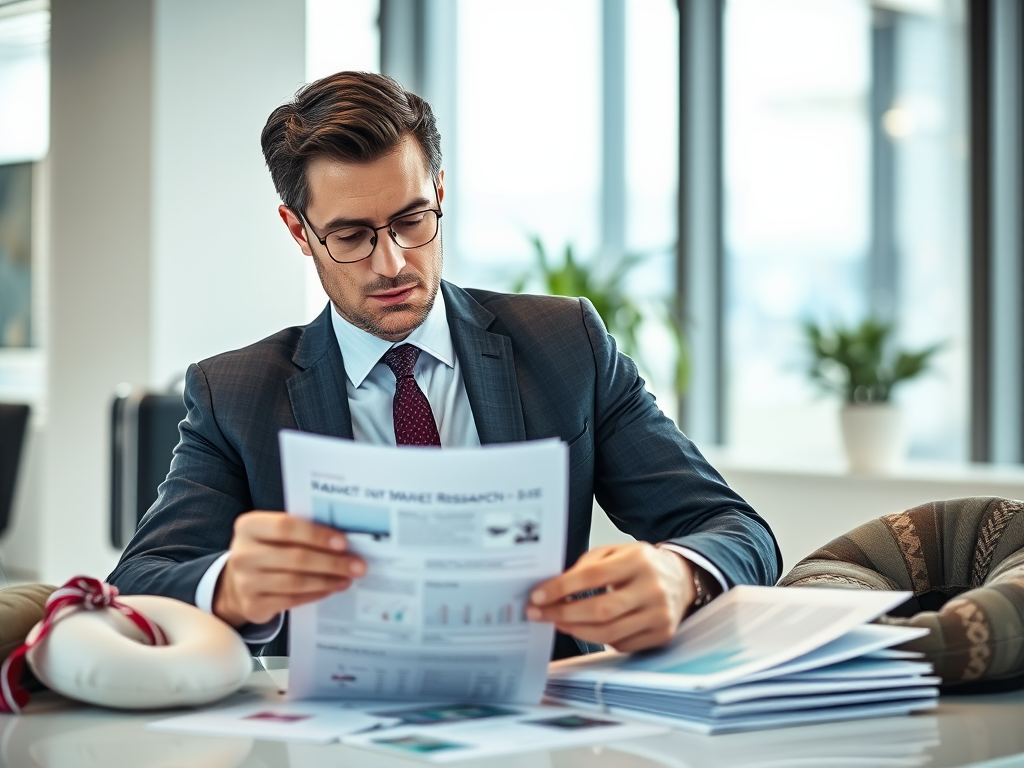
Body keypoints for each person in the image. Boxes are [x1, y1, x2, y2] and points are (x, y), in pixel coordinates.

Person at [108, 72, 780, 659]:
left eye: (411, 220)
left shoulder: (565, 345)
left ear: (440, 191)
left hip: (539, 716)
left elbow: (739, 532)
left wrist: (678, 574)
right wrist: (229, 585)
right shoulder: (235, 393)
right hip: (334, 733)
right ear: (297, 231)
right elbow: (139, 581)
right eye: (350, 236)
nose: (393, 261)